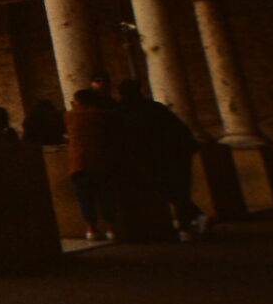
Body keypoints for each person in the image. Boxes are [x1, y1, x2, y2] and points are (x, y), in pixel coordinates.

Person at [115, 78, 207, 239]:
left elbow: (132, 137)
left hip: (156, 156)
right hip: (176, 152)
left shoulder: (127, 111)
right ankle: (189, 222)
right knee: (178, 188)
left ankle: (191, 222)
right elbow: (179, 128)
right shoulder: (155, 107)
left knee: (166, 188)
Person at [66, 86, 120, 241]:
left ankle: (91, 229)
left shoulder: (69, 116)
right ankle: (111, 228)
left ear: (77, 101)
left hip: (79, 164)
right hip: (102, 161)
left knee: (85, 197)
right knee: (106, 196)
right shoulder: (104, 115)